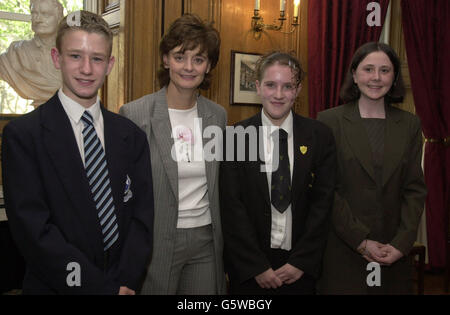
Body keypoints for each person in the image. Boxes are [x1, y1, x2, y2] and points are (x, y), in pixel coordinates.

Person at [1, 10, 154, 295]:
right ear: (56, 58)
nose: (86, 69)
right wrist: (101, 289)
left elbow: (142, 219)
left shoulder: (131, 136)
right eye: (75, 56)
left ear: (109, 65)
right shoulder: (24, 136)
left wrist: (125, 283)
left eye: (96, 58)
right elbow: (34, 232)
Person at [119, 14, 227, 295]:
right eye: (180, 56)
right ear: (166, 60)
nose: (189, 67)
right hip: (156, 240)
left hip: (206, 240)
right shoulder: (135, 114)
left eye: (199, 59)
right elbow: (122, 194)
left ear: (209, 65)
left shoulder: (217, 116)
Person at [220, 52, 337, 295]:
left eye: (288, 86)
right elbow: (231, 207)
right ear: (257, 87)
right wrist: (256, 266)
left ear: (298, 90)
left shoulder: (320, 136)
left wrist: (301, 262)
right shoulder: (235, 137)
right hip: (250, 270)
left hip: (300, 268)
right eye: (271, 85)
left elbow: (323, 205)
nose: (279, 94)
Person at [317, 42, 427, 294]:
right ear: (354, 75)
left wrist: (401, 244)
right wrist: (361, 240)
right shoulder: (329, 121)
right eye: (368, 69)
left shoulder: (410, 125)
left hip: (393, 253)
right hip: (344, 249)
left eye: (385, 70)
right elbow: (326, 190)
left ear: (394, 77)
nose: (376, 77)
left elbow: (414, 190)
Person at [0, 0, 64, 106]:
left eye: (45, 14)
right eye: (34, 13)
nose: (38, 19)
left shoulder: (71, 54)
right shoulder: (16, 53)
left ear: (58, 18)